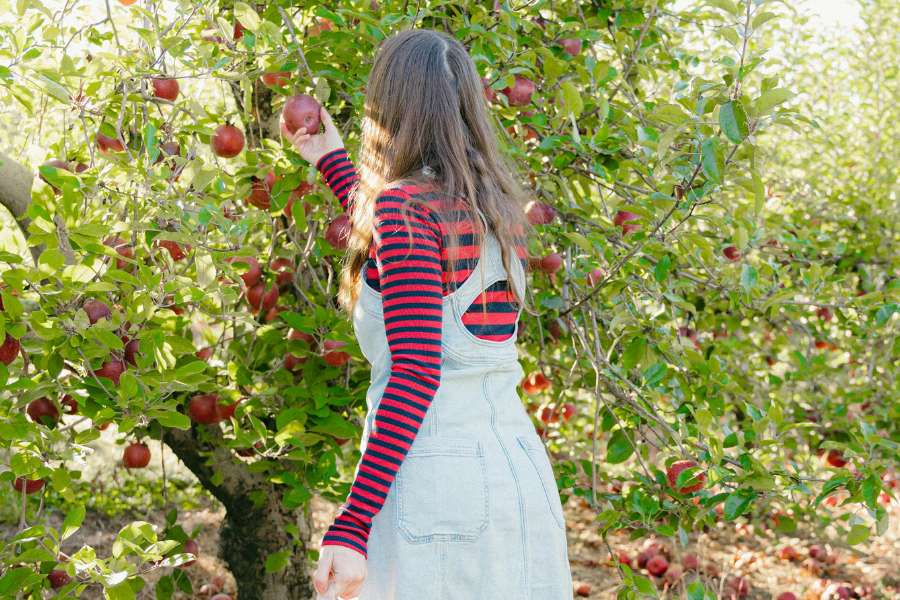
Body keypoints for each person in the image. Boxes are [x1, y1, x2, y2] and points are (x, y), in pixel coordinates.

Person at [282, 28, 573, 600]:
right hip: (517, 470)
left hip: (439, 485)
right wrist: (329, 160)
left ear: (385, 108)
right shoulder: (497, 205)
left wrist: (352, 524)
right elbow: (402, 240)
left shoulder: (407, 208)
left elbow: (417, 370)